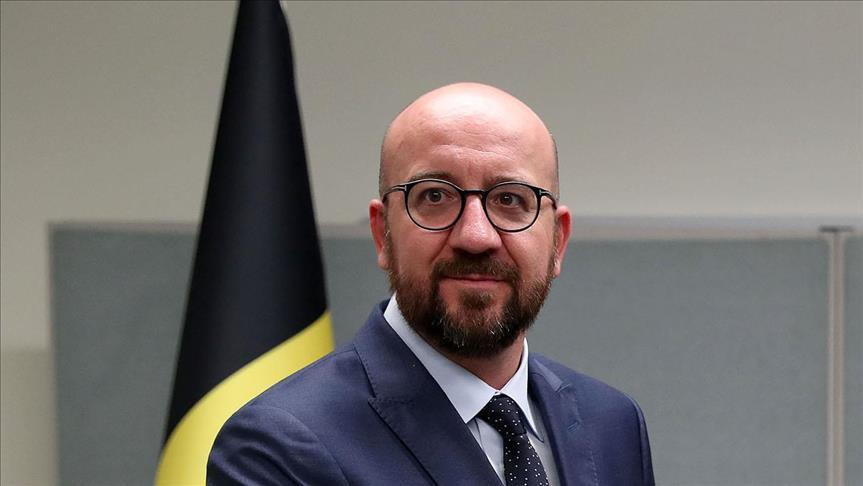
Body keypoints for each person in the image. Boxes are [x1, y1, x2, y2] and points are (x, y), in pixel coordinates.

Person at [208, 83, 655, 485]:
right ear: (382, 233)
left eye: (511, 199)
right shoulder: (278, 448)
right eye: (435, 196)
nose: (476, 236)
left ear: (558, 241)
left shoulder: (612, 424)